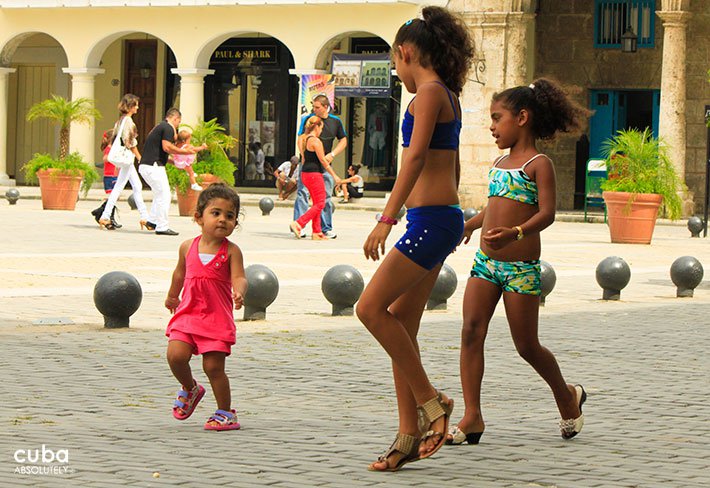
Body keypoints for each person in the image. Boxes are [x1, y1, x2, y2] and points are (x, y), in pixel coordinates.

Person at [356, 7, 474, 472]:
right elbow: (453, 163)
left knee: (369, 309)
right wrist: (452, 216)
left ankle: (432, 402)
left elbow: (417, 157)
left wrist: (387, 217)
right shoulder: (447, 93)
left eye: (393, 64)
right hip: (436, 217)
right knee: (401, 325)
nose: (395, 73)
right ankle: (407, 436)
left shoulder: (426, 93)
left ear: (406, 53)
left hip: (427, 221)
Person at [447, 78, 591, 447]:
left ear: (522, 118)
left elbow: (547, 213)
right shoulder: (498, 163)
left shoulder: (538, 164)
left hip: (521, 268)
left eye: (498, 118)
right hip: (486, 264)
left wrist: (516, 232)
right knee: (470, 332)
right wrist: (469, 224)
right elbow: (496, 205)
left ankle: (566, 396)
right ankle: (473, 416)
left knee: (526, 346)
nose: (492, 127)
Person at [165, 183, 247, 431]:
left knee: (213, 367)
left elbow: (239, 277)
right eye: (216, 213)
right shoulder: (187, 247)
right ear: (199, 217)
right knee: (175, 356)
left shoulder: (231, 251)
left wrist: (240, 291)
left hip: (215, 319)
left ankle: (225, 411)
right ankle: (190, 388)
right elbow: (180, 273)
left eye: (230, 216)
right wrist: (172, 296)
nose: (223, 220)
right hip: (188, 313)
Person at [138, 108, 201, 236]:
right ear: (175, 118)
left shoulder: (160, 126)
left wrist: (176, 162)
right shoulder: (168, 127)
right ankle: (162, 226)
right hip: (153, 166)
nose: (178, 125)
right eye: (179, 121)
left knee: (159, 194)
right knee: (165, 195)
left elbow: (161, 152)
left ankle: (152, 221)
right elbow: (167, 147)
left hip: (147, 165)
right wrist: (186, 152)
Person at [294, 94, 347, 239]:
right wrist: (303, 154)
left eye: (317, 107)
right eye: (313, 106)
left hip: (324, 163)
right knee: (303, 193)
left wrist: (333, 154)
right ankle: (300, 226)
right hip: (309, 163)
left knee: (325, 197)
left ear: (326, 107)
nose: (314, 109)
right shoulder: (309, 119)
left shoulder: (335, 121)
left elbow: (343, 140)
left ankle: (324, 228)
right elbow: (301, 137)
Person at [97, 94, 151, 231]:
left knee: (137, 186)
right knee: (119, 186)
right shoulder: (128, 122)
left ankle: (144, 217)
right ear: (131, 106)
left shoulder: (120, 121)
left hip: (124, 159)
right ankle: (106, 215)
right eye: (136, 105)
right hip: (126, 158)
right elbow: (130, 142)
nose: (138, 108)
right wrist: (140, 157)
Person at [288, 116, 341, 240]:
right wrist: (335, 176)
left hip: (305, 173)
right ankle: (299, 223)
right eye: (321, 127)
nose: (321, 131)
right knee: (321, 203)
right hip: (314, 174)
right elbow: (323, 161)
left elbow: (304, 158)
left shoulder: (303, 139)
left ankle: (317, 232)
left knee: (317, 203)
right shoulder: (316, 141)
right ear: (317, 127)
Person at [91, 129, 122, 228]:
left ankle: (100, 211)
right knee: (112, 197)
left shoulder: (114, 148)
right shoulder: (110, 148)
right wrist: (113, 157)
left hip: (114, 175)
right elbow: (105, 158)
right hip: (110, 176)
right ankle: (109, 218)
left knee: (114, 197)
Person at [172, 128, 205, 192]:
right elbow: (195, 149)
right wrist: (202, 147)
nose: (190, 141)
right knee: (191, 174)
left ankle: (188, 172)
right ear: (184, 140)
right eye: (189, 139)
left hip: (178, 162)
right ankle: (194, 184)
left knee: (188, 162)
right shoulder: (187, 146)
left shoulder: (177, 144)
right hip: (184, 164)